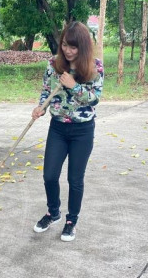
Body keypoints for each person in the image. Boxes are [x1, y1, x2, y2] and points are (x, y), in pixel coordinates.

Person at [31, 21, 104, 242]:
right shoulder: (53, 64)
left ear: (83, 47)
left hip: (83, 130)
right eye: (65, 45)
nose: (68, 51)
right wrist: (40, 107)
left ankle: (71, 220)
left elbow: (94, 98)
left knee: (75, 179)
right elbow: (46, 91)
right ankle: (53, 213)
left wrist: (74, 85)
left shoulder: (95, 66)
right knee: (49, 175)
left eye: (73, 47)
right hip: (58, 128)